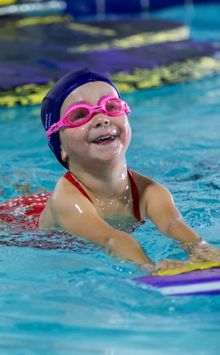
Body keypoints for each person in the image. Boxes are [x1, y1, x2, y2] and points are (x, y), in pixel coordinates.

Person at [40, 68, 220, 271]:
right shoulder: (67, 200)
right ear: (61, 147)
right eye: (80, 115)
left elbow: (173, 224)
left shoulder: (151, 192)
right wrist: (150, 268)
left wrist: (203, 249)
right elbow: (112, 239)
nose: (102, 119)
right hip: (24, 228)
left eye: (111, 106)